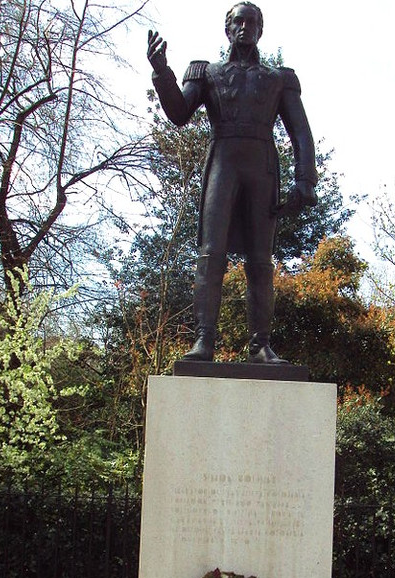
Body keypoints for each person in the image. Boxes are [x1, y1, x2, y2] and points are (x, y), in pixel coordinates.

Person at [147, 2, 317, 364]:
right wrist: (162, 73)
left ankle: (260, 345)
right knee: (211, 254)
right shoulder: (208, 73)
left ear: (260, 30)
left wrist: (305, 180)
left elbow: (300, 132)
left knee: (261, 259)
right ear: (228, 29)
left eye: (252, 22)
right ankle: (204, 340)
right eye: (238, 22)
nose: (245, 27)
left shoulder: (278, 79)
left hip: (261, 168)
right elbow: (179, 113)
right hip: (223, 163)